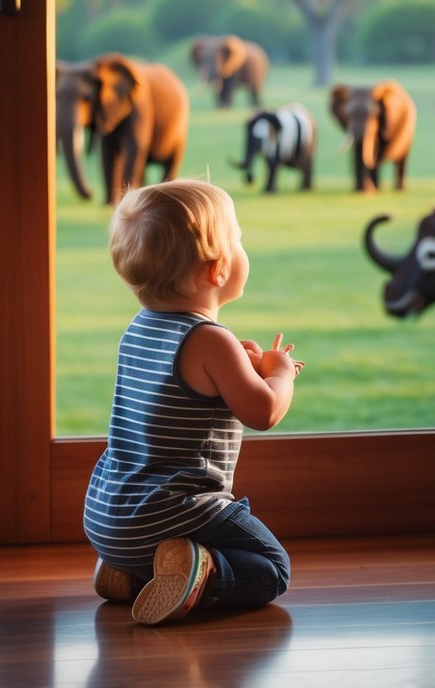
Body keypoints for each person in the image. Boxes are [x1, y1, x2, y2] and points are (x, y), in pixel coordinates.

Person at [83, 178, 305, 626]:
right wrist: (279, 372)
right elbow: (264, 411)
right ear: (218, 269)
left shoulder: (140, 328)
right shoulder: (208, 340)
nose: (244, 248)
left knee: (173, 540)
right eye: (239, 240)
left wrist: (237, 366)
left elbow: (183, 392)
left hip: (111, 515)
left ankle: (129, 573)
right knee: (273, 569)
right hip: (171, 513)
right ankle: (197, 573)